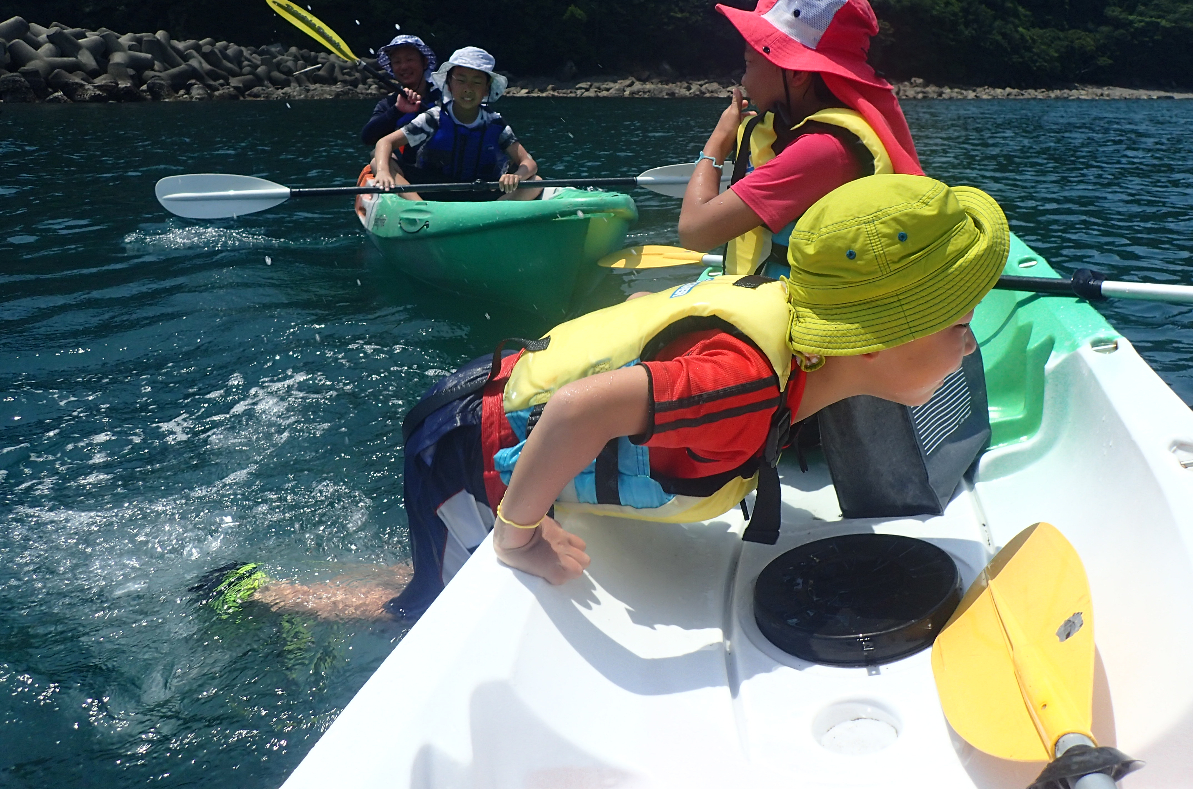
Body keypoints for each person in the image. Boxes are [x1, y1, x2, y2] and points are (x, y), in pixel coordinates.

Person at [200, 174, 1008, 620]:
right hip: (471, 451)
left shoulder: (791, 342)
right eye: (956, 325)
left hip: (498, 419)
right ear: (871, 339)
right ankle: (268, 598)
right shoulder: (740, 383)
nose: (969, 345)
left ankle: (393, 567)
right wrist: (519, 534)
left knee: (438, 564)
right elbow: (579, 412)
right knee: (429, 609)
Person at [680, 0, 924, 277]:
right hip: (785, 300)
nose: (742, 79)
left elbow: (693, 232)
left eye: (749, 63)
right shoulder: (811, 132)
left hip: (805, 319)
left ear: (796, 73)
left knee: (640, 299)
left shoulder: (822, 151)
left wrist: (719, 139)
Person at [369, 46, 540, 201]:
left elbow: (528, 162)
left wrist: (517, 176)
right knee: (378, 162)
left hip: (480, 193)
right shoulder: (433, 118)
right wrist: (383, 171)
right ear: (449, 85)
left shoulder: (495, 122)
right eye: (461, 80)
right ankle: (419, 208)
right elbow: (385, 142)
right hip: (431, 192)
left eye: (477, 82)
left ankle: (494, 215)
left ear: (486, 89)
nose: (468, 88)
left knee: (536, 181)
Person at [359, 35, 440, 147]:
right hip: (405, 163)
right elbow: (367, 138)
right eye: (397, 62)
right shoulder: (389, 104)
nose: (403, 67)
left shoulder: (443, 97)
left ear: (425, 62)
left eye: (409, 59)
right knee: (375, 157)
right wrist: (397, 111)